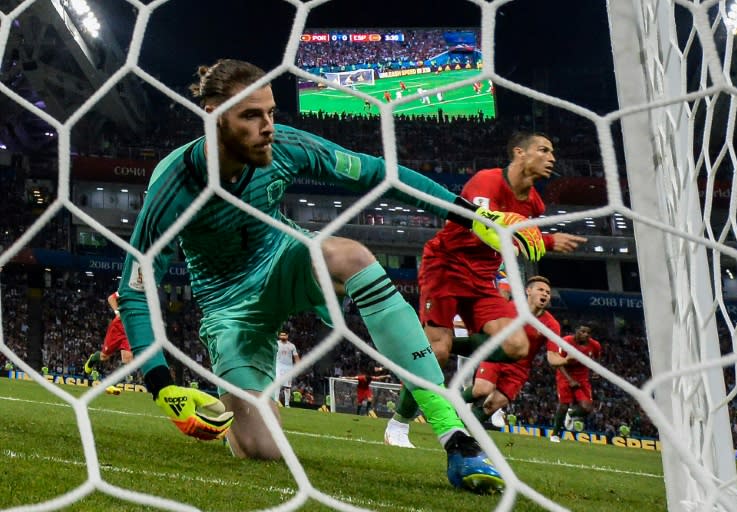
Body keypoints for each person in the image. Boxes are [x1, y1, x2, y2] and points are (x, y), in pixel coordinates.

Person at [117, 58, 544, 494]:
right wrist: (162, 386)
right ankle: (238, 403)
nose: (267, 126)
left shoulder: (283, 146)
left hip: (285, 261)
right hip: (229, 310)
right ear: (213, 116)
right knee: (261, 448)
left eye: (270, 113)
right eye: (250, 115)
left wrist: (468, 215)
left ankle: (456, 438)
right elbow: (134, 291)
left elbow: (380, 175)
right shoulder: (173, 185)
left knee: (349, 255)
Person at [385, 131, 586, 447]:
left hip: (482, 279)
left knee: (518, 344)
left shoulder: (534, 203)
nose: (552, 158)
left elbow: (518, 240)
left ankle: (446, 343)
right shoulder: (486, 181)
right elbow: (484, 226)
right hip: (446, 267)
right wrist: (545, 241)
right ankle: (398, 424)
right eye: (544, 150)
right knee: (435, 354)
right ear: (519, 153)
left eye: (553, 153)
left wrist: (533, 242)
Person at [462, 276, 560, 435]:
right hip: (498, 356)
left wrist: (568, 359)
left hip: (519, 369)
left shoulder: (551, 324)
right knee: (482, 389)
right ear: (528, 291)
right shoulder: (509, 308)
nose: (545, 294)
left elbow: (552, 357)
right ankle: (446, 406)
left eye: (548, 292)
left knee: (492, 405)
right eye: (541, 290)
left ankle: (462, 434)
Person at [547, 323, 602, 438]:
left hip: (582, 378)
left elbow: (597, 358)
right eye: (583, 331)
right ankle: (555, 434)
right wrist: (570, 380)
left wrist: (596, 370)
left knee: (587, 408)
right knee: (563, 405)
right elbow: (558, 362)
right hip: (565, 375)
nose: (586, 335)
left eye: (588, 333)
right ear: (576, 331)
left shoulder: (595, 345)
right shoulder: (566, 341)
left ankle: (570, 413)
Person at [84, 291, 134, 376]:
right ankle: (92, 359)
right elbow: (111, 298)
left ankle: (113, 384)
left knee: (128, 358)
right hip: (118, 328)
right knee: (104, 357)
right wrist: (117, 313)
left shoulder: (147, 297)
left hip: (130, 330)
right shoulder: (128, 288)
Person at [274, 331, 300, 407]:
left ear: (287, 336)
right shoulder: (276, 343)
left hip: (289, 367)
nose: (282, 336)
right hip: (278, 366)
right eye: (281, 335)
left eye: (284, 335)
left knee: (287, 387)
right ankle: (275, 401)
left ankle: (287, 404)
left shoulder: (292, 346)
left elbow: (296, 357)